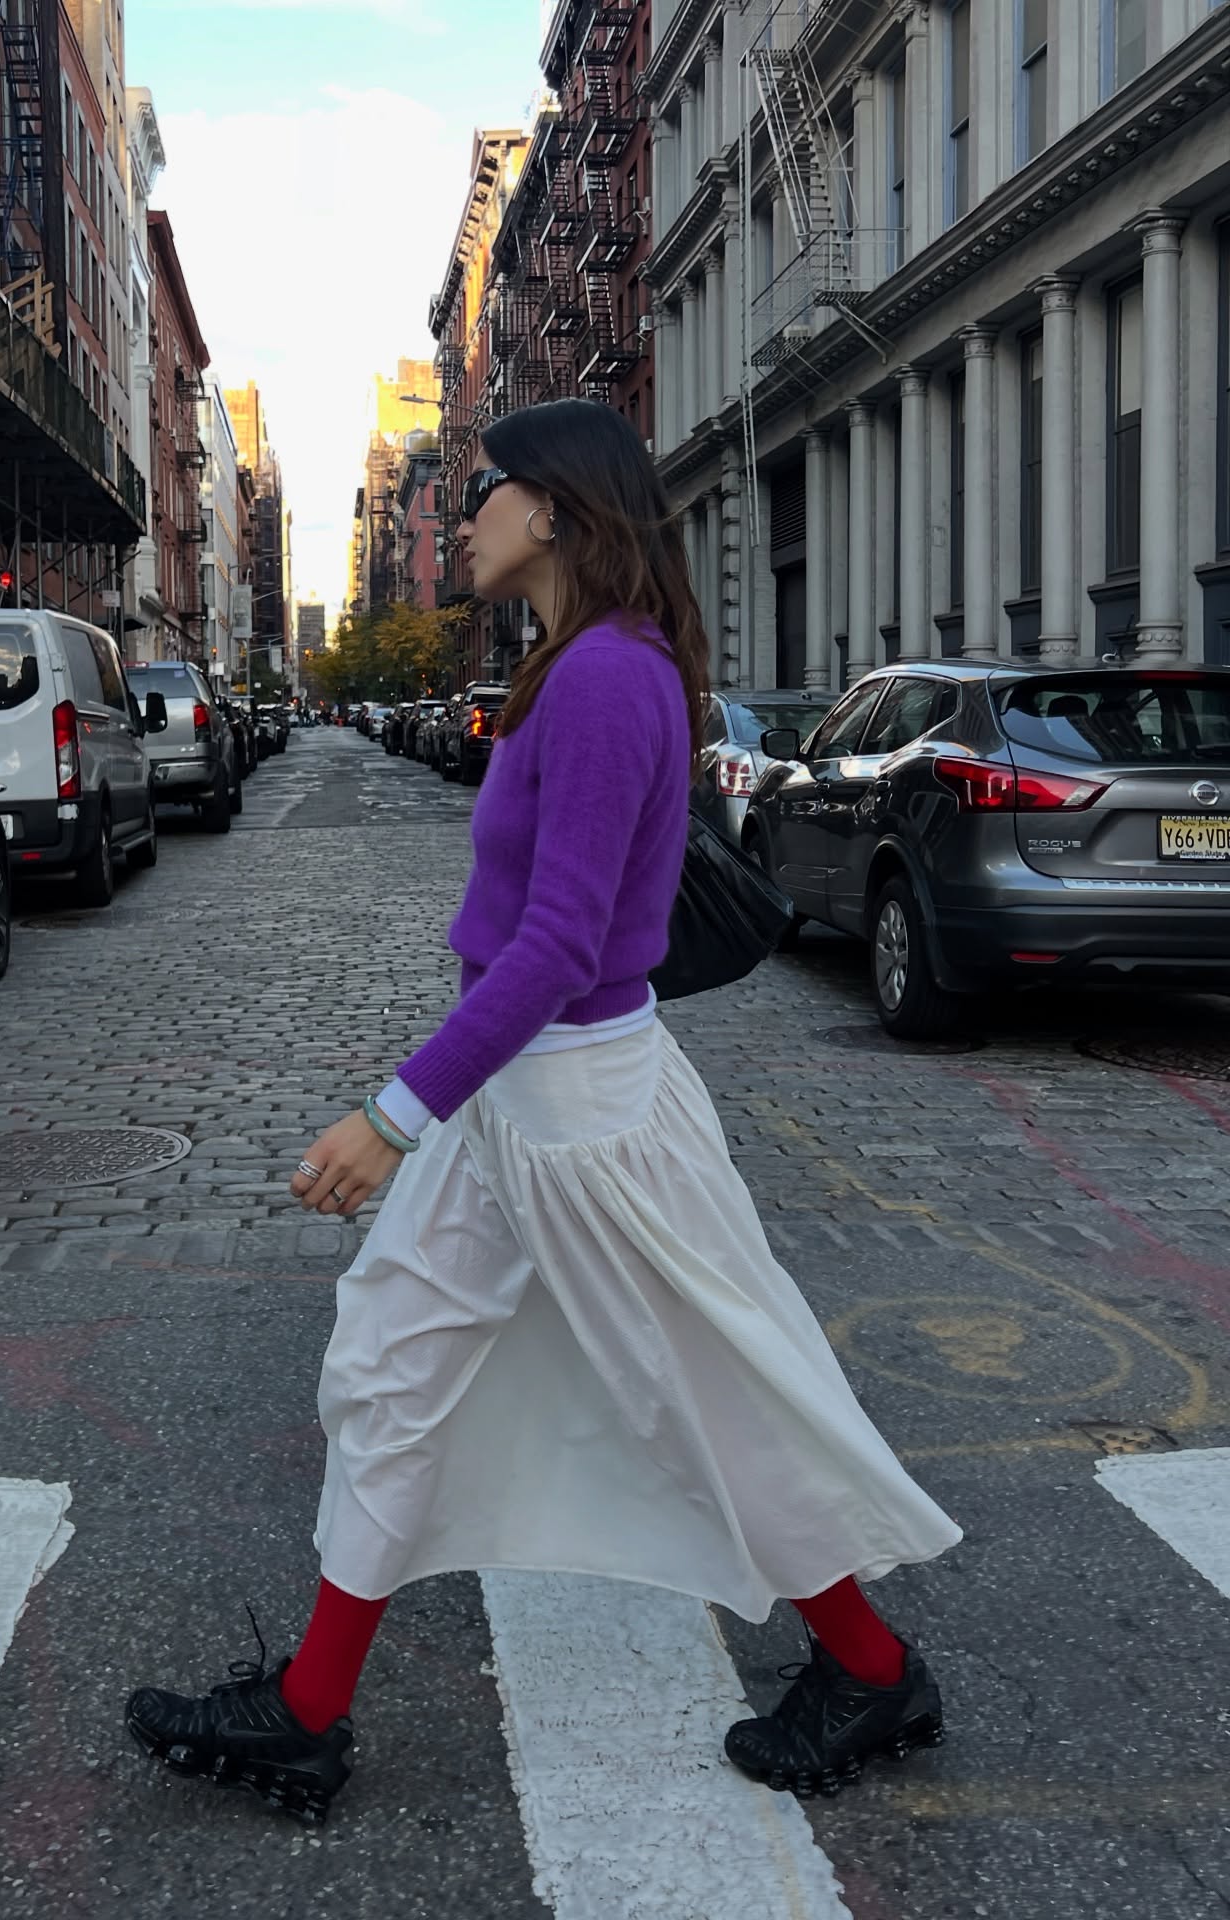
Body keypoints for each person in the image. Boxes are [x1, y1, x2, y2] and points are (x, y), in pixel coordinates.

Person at [125, 399, 961, 1826]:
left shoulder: (604, 680)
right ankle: (307, 1713)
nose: (462, 519)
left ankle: (874, 1669)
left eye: (485, 492)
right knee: (392, 1360)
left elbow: (563, 943)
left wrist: (392, 1115)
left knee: (703, 1397)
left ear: (556, 511)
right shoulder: (576, 667)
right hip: (524, 1102)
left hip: (581, 1113)